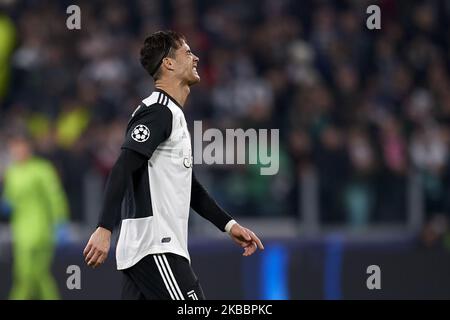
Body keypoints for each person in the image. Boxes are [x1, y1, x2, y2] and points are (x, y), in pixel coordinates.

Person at [83, 30, 264, 300]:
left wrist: (228, 225)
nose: (197, 58)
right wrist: (104, 227)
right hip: (157, 247)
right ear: (168, 64)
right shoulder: (158, 111)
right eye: (188, 53)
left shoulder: (171, 114)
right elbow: (122, 166)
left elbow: (188, 187)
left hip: (147, 251)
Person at [2, 130, 69, 299]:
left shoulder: (42, 169)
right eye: (14, 147)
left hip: (42, 229)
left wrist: (60, 222)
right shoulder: (12, 172)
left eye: (20, 145)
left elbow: (55, 197)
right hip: (21, 230)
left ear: (28, 147)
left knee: (26, 275)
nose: (17, 150)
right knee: (37, 275)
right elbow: (9, 200)